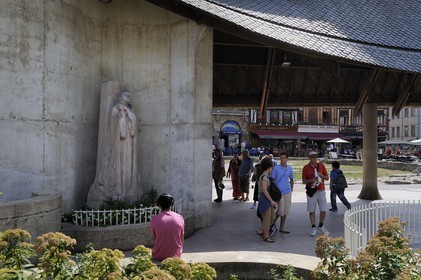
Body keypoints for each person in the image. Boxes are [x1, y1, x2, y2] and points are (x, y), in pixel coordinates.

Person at [302, 151, 330, 237]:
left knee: (323, 209)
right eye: (311, 157)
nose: (313, 159)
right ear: (309, 158)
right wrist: (311, 180)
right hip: (312, 191)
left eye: (314, 157)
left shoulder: (321, 166)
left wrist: (321, 175)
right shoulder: (306, 168)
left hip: (321, 190)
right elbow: (304, 181)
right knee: (312, 210)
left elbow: (327, 178)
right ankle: (313, 227)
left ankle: (321, 224)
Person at [150, 193, 184, 261]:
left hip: (159, 256)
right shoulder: (180, 218)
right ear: (172, 204)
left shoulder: (154, 219)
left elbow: (154, 238)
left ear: (159, 205)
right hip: (176, 256)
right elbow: (181, 238)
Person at [271, 152, 294, 234]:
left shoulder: (289, 168)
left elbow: (291, 179)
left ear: (287, 159)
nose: (282, 159)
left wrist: (291, 189)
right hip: (279, 192)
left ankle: (282, 227)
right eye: (281, 158)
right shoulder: (276, 168)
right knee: (280, 211)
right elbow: (272, 180)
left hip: (287, 192)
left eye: (284, 158)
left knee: (286, 211)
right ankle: (272, 223)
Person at [256, 158, 277, 243]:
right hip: (265, 199)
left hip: (267, 199)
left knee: (272, 217)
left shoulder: (265, 176)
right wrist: (271, 201)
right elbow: (264, 190)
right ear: (269, 167)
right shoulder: (264, 177)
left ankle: (262, 230)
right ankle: (266, 235)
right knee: (267, 218)